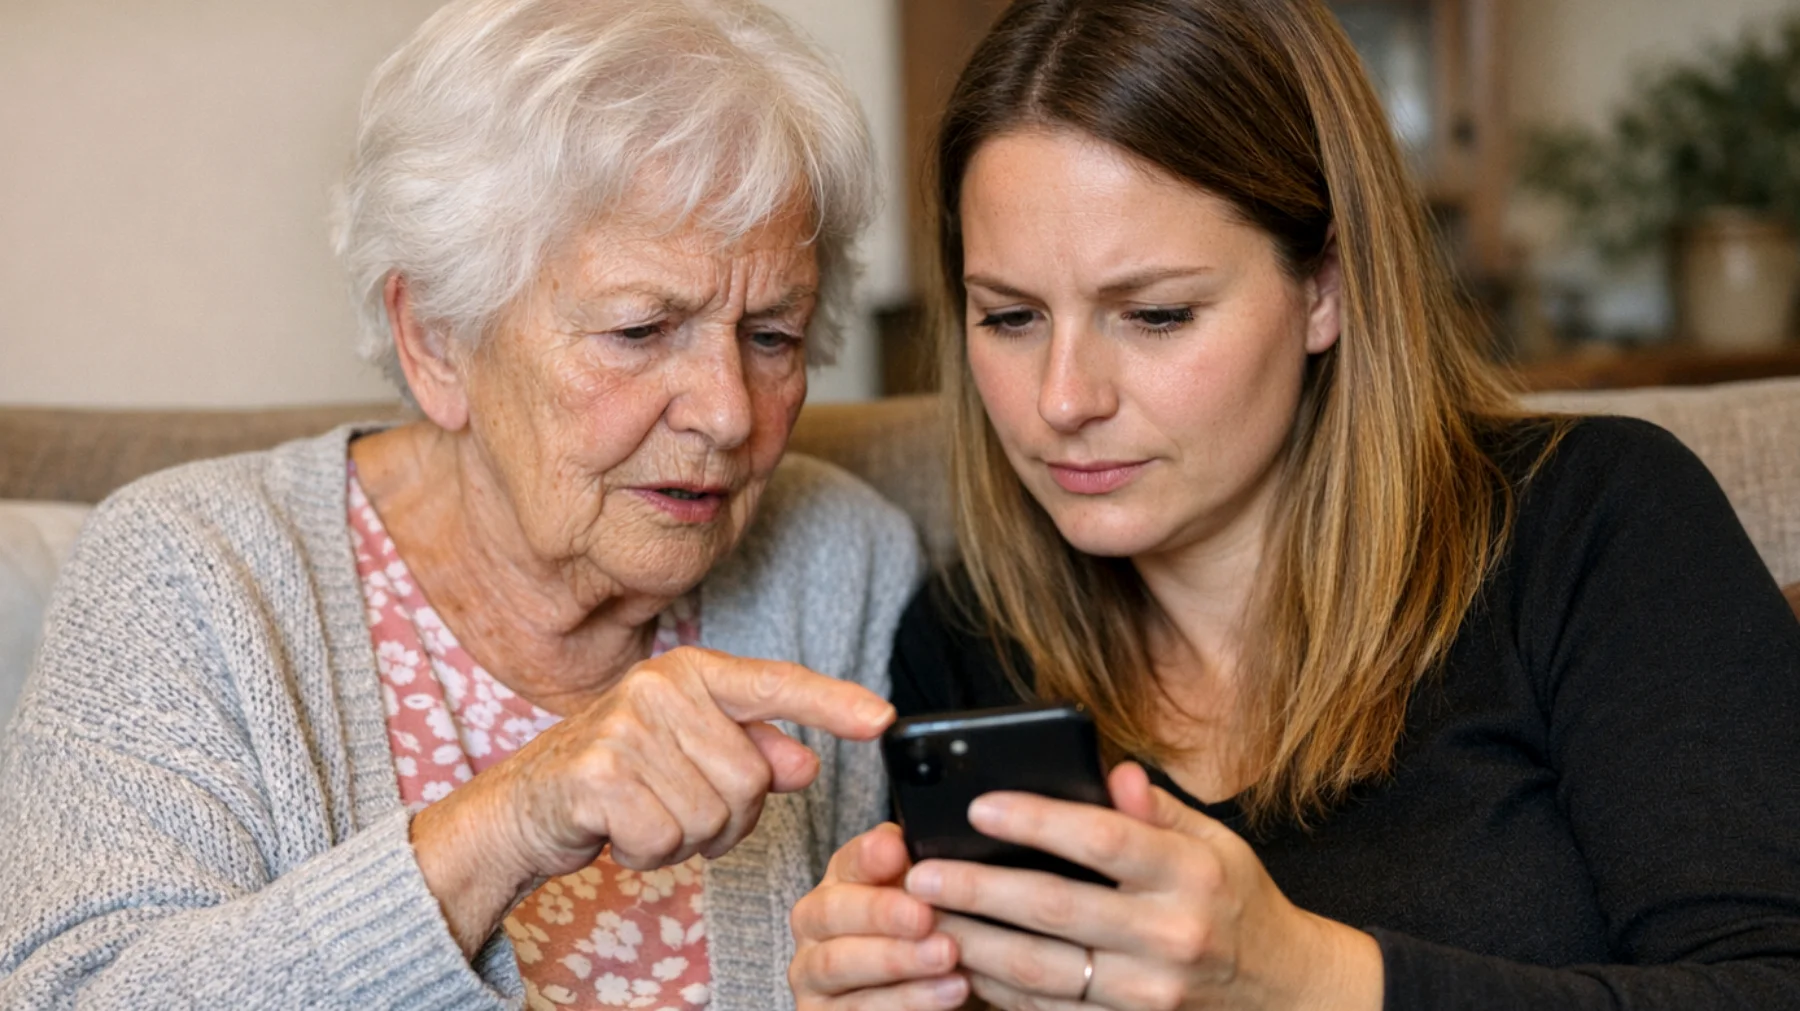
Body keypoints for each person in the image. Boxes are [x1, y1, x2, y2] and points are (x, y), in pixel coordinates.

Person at [787, 1, 1800, 1008]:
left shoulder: (1592, 523)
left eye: (1156, 315)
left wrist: (1304, 978)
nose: (1062, 400)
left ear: (1326, 286)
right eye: (1010, 317)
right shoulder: (967, 644)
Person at [0, 1, 921, 1007]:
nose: (729, 412)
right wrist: (511, 823)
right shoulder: (187, 572)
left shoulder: (841, 558)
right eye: (641, 329)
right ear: (436, 339)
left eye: (772, 335)